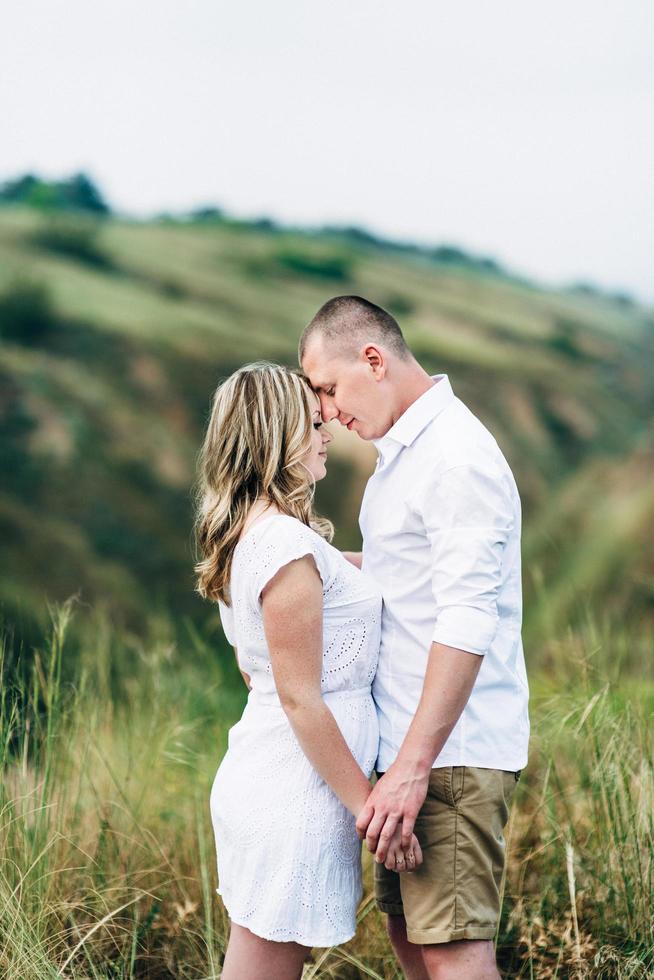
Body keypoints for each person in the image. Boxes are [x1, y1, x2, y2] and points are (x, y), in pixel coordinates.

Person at [300, 296, 530, 980]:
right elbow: (408, 580)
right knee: (413, 943)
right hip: (411, 749)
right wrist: (296, 564)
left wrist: (410, 768)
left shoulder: (455, 460)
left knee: (453, 956)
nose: (329, 412)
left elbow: (466, 618)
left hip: (445, 755)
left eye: (329, 389)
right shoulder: (405, 455)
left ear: (373, 359)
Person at [193, 362, 422, 980]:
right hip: (294, 791)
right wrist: (371, 811)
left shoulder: (261, 537)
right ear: (276, 434)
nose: (327, 429)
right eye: (312, 421)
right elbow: (300, 700)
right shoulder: (285, 550)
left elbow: (256, 674)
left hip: (275, 774)